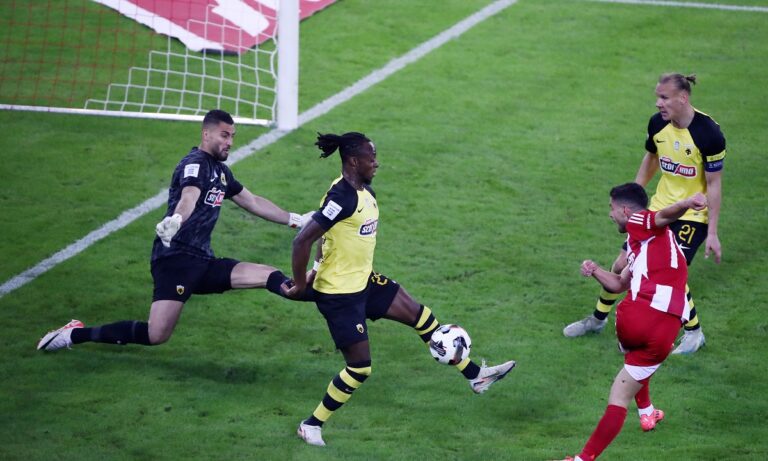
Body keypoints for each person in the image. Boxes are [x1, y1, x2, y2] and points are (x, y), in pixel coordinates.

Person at [270, 132, 516, 447]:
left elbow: (326, 236)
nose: (376, 163)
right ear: (354, 161)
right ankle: (311, 425)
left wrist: (318, 264)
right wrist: (304, 282)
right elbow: (302, 240)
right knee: (359, 368)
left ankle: (475, 376)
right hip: (339, 296)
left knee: (422, 317)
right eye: (371, 158)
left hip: (364, 281)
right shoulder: (341, 197)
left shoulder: (364, 192)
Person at [37, 109, 309, 351]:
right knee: (156, 334)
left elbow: (253, 201)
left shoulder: (221, 172)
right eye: (224, 135)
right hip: (175, 260)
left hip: (202, 261)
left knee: (267, 274)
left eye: (232, 136)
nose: (230, 142)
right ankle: (74, 334)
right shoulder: (195, 164)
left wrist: (295, 220)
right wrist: (177, 218)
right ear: (206, 134)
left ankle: (314, 293)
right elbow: (189, 195)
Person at [564, 73, 726, 355]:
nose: (658, 103)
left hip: (691, 216)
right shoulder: (657, 124)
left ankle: (694, 333)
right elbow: (651, 157)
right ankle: (598, 320)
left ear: (682, 98)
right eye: (657, 97)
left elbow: (714, 184)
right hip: (658, 209)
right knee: (620, 265)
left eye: (664, 97)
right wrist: (633, 195)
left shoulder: (709, 134)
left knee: (670, 271)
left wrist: (712, 232)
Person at [556, 183, 707, 461]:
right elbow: (617, 283)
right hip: (666, 331)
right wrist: (595, 270)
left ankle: (586, 456)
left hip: (638, 317)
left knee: (619, 394)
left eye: (611, 208)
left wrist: (687, 203)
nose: (610, 214)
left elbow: (663, 215)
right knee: (631, 375)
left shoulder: (640, 220)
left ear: (625, 210)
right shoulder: (644, 249)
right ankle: (644, 415)